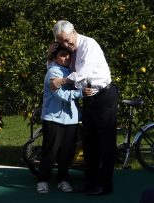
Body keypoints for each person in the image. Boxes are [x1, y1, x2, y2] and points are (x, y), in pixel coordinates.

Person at [49, 20, 119, 196]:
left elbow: (82, 74)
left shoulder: (89, 45)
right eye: (61, 42)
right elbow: (59, 70)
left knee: (105, 143)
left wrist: (62, 81)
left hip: (104, 97)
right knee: (89, 143)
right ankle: (90, 183)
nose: (65, 44)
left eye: (66, 40)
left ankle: (105, 185)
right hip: (88, 98)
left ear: (74, 32)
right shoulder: (71, 51)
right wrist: (49, 57)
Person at [36, 42, 92, 194]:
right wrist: (81, 93)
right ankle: (42, 180)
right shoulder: (53, 72)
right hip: (53, 118)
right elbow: (59, 94)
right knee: (50, 151)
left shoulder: (72, 71)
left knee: (67, 153)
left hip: (71, 119)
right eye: (62, 55)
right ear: (55, 57)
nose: (66, 57)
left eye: (68, 54)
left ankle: (63, 180)